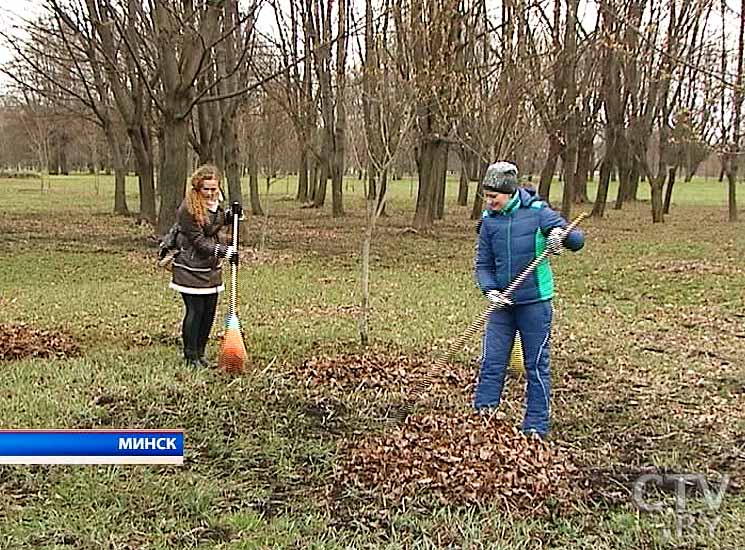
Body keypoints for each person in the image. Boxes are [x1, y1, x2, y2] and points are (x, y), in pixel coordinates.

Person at [473, 161, 584, 438]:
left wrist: (560, 237)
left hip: (535, 303)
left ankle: (535, 427)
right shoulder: (488, 222)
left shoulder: (537, 213)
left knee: (536, 365)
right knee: (492, 361)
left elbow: (577, 238)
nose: (489, 202)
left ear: (508, 192)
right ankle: (482, 419)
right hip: (502, 304)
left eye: (493, 196)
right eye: (486, 196)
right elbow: (483, 264)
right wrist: (490, 291)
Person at [169, 164, 240, 368]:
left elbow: (213, 225)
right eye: (206, 189)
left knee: (209, 311)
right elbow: (200, 241)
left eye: (214, 188)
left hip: (210, 269)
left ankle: (200, 353)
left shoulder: (215, 204)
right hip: (190, 268)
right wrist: (224, 251)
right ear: (197, 188)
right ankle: (190, 355)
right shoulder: (188, 209)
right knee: (196, 311)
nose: (210, 193)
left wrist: (230, 215)